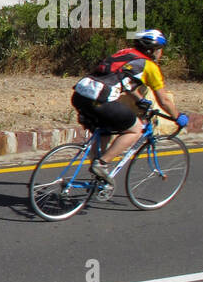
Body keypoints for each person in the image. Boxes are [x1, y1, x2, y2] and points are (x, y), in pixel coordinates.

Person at [71, 29, 189, 182]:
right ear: (153, 50)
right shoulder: (149, 66)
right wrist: (177, 117)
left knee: (105, 130)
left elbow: (122, 80)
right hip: (100, 101)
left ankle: (96, 177)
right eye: (160, 50)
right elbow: (164, 100)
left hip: (80, 95)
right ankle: (101, 164)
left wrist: (139, 99)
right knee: (136, 129)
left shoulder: (124, 53)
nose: (161, 53)